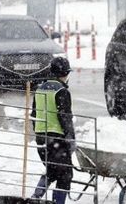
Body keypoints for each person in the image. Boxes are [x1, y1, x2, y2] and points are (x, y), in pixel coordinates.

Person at [31, 57, 76, 204]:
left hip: (41, 138)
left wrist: (40, 134)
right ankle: (58, 202)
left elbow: (34, 115)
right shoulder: (61, 91)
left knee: (52, 170)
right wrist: (70, 140)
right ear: (65, 73)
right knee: (65, 175)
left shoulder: (39, 89)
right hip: (56, 139)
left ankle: (36, 197)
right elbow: (65, 118)